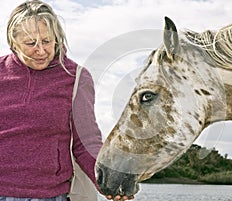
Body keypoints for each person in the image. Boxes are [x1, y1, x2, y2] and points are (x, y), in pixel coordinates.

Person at [0, 1, 133, 201]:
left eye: (47, 41)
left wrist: (108, 183)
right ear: (13, 41)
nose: (41, 50)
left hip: (51, 195)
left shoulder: (76, 77)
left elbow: (86, 141)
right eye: (30, 43)